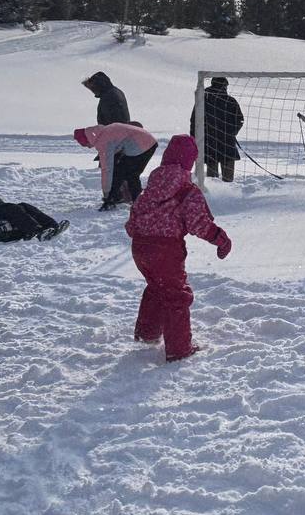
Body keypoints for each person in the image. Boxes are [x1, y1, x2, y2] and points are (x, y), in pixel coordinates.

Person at [125, 134, 231, 362]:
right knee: (176, 296)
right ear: (190, 163)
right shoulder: (187, 191)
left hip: (140, 248)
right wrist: (221, 239)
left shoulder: (150, 189)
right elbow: (199, 223)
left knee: (156, 287)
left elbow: (132, 223)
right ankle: (179, 349)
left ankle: (147, 333)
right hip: (165, 250)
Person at [73, 122, 159, 210]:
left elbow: (107, 169)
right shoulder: (104, 131)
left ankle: (137, 204)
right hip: (147, 141)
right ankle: (118, 198)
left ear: (88, 139)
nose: (88, 147)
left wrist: (106, 192)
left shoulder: (103, 141)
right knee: (121, 171)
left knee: (131, 175)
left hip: (143, 146)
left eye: (86, 144)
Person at [189, 76, 244, 182]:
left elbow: (194, 121)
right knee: (228, 178)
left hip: (209, 142)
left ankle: (214, 191)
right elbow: (240, 120)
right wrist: (231, 132)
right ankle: (227, 190)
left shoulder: (203, 100)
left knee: (212, 178)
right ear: (225, 86)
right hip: (226, 142)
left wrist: (194, 137)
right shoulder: (230, 101)